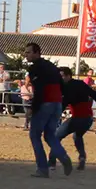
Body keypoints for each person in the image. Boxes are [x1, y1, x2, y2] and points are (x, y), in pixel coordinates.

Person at [24, 42, 71, 177]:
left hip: (45, 103)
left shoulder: (35, 68)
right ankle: (63, 157)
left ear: (37, 53)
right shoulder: (52, 66)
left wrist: (35, 107)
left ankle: (43, 168)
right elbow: (62, 85)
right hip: (56, 103)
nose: (26, 55)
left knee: (35, 135)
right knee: (50, 135)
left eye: (28, 52)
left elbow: (39, 89)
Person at [50, 67, 96, 171]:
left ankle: (51, 162)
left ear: (68, 76)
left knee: (56, 137)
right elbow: (95, 95)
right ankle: (82, 157)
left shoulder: (67, 87)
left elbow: (64, 104)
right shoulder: (81, 83)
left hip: (77, 118)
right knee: (77, 136)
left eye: (62, 76)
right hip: (88, 119)